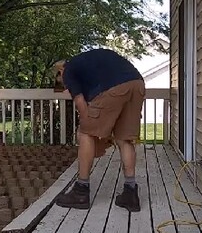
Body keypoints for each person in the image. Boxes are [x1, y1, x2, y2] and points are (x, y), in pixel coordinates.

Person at [53, 49, 145, 212]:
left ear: (60, 72)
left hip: (114, 87)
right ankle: (131, 194)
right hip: (137, 83)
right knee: (125, 138)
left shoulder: (69, 71)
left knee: (85, 133)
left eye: (64, 86)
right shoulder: (89, 64)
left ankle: (81, 190)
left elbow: (83, 108)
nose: (67, 89)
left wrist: (93, 135)